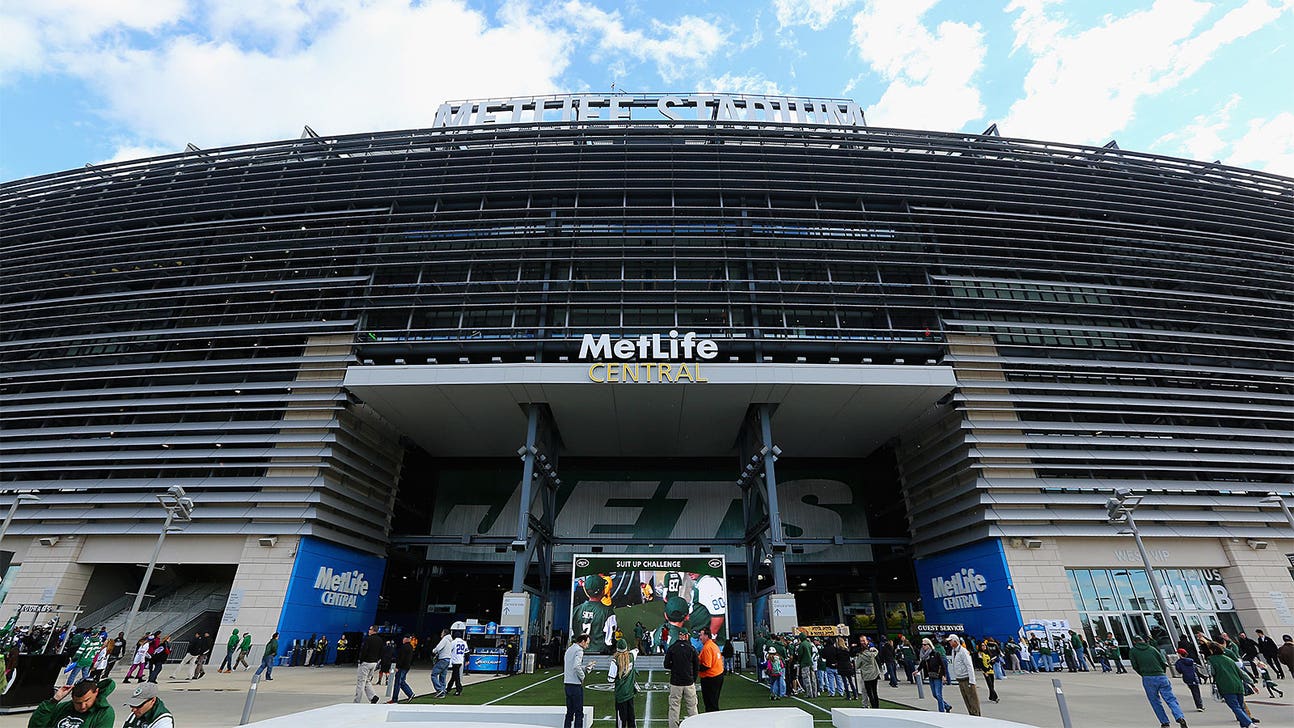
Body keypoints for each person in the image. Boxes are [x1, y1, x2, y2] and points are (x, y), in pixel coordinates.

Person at [1130, 634, 1188, 728]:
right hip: (1161, 675)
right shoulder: (1152, 649)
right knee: (1170, 699)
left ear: (1134, 642)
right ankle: (1179, 717)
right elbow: (1162, 661)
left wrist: (1143, 673)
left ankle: (1165, 722)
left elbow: (1135, 665)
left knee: (1155, 701)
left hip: (1148, 677)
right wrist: (1162, 672)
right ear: (1143, 640)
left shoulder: (1133, 651)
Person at [27, 678, 114, 728]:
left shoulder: (104, 713)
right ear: (72, 698)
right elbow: (35, 726)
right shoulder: (63, 707)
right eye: (78, 703)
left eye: (87, 700)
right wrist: (54, 701)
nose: (83, 706)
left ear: (96, 692)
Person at [1206, 642, 1254, 727]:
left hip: (1226, 686)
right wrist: (1251, 683)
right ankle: (1245, 725)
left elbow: (1212, 672)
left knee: (1235, 707)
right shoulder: (1229, 659)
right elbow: (1241, 673)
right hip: (1238, 685)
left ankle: (1249, 723)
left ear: (1211, 650)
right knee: (1241, 707)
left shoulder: (1211, 660)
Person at [664, 627, 699, 728]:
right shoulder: (691, 649)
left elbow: (666, 664)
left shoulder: (672, 648)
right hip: (689, 682)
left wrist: (675, 667)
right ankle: (695, 726)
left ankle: (673, 726)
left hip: (676, 682)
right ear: (686, 636)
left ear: (679, 635)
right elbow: (696, 666)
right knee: (692, 707)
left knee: (674, 707)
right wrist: (693, 679)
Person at [608, 638, 638, 727]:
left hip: (620, 694)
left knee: (621, 719)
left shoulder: (615, 661)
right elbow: (636, 650)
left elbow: (610, 679)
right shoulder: (632, 656)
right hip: (630, 692)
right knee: (631, 717)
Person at [947, 635, 980, 717]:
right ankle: (971, 714)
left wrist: (972, 681)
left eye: (950, 641)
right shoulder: (954, 651)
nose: (949, 642)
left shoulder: (963, 651)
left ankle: (976, 715)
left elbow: (969, 666)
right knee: (966, 699)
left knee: (972, 699)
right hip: (960, 679)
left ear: (955, 641)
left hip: (966, 679)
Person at [563, 633, 591, 728]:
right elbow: (576, 666)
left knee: (569, 712)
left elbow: (572, 666)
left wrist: (585, 667)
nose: (587, 646)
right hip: (575, 685)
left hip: (567, 683)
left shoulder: (569, 649)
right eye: (587, 643)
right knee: (579, 712)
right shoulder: (579, 650)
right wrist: (583, 676)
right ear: (582, 642)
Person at [920, 638, 951, 713]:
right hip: (931, 675)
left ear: (929, 645)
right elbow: (922, 663)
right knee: (934, 694)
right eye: (922, 645)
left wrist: (943, 675)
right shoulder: (924, 655)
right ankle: (946, 706)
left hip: (937, 675)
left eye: (924, 644)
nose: (923, 646)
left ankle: (941, 711)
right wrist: (917, 670)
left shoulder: (936, 654)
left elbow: (942, 665)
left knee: (938, 694)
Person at [354, 626, 383, 704]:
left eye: (370, 629)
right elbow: (381, 651)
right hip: (374, 663)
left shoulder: (368, 639)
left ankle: (357, 701)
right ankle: (373, 697)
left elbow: (364, 650)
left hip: (366, 662)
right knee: (367, 680)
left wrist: (361, 660)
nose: (369, 631)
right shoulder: (380, 640)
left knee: (361, 682)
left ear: (373, 630)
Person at [697, 627, 724, 711]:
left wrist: (694, 668)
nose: (700, 637)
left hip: (711, 677)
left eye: (701, 635)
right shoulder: (713, 645)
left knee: (710, 703)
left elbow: (706, 666)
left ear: (706, 636)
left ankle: (712, 717)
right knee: (713, 701)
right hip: (717, 675)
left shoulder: (707, 647)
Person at [856, 635, 880, 708]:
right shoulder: (872, 654)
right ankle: (876, 706)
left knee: (869, 692)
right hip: (874, 673)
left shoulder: (861, 655)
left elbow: (857, 665)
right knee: (874, 691)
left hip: (866, 675)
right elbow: (876, 652)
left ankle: (872, 706)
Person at [389, 635, 414, 704]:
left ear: (406, 639)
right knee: (402, 681)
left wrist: (397, 666)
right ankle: (410, 693)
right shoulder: (410, 647)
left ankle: (395, 699)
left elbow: (401, 658)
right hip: (406, 667)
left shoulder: (404, 647)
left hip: (402, 667)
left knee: (397, 682)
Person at [447, 628, 468, 696]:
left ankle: (459, 689)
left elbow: (449, 650)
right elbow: (467, 652)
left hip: (455, 660)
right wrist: (467, 660)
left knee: (456, 676)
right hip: (460, 660)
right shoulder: (464, 642)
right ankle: (448, 688)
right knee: (454, 675)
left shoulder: (453, 642)